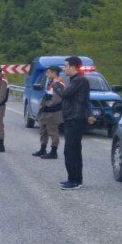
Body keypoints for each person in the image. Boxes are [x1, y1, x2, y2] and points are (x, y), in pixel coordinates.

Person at [53, 56, 96, 190]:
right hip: (73, 118)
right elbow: (83, 100)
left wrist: (55, 84)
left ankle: (74, 181)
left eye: (65, 66)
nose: (64, 69)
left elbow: (65, 94)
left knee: (70, 151)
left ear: (72, 67)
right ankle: (75, 179)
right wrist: (89, 114)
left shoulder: (80, 80)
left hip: (75, 119)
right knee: (74, 151)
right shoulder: (76, 80)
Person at [33, 65, 64, 159]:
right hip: (46, 111)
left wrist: (46, 104)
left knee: (53, 132)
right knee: (43, 131)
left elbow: (56, 100)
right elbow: (47, 95)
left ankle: (53, 152)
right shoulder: (51, 83)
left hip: (53, 112)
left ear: (54, 73)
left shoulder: (59, 84)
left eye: (48, 72)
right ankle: (43, 149)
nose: (47, 74)